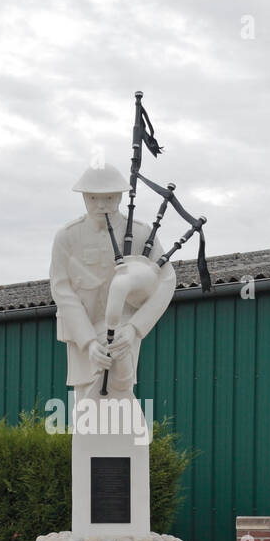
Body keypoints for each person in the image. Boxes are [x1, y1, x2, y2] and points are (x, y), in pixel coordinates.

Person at [49, 163, 176, 399]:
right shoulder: (67, 237)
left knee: (120, 389)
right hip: (82, 329)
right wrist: (88, 342)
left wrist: (134, 329)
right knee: (87, 398)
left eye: (108, 197)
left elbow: (166, 282)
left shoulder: (140, 233)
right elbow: (62, 290)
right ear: (84, 197)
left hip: (123, 331)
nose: (101, 205)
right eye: (94, 197)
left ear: (120, 196)